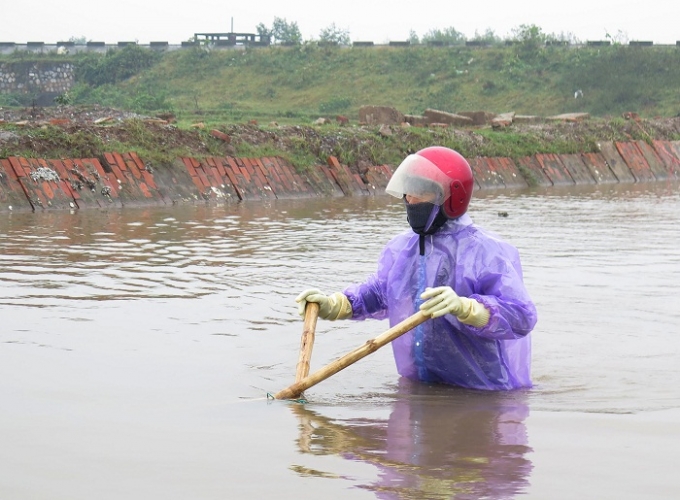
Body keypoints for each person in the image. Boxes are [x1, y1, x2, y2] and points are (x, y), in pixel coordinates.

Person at [296, 146, 537, 390]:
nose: (409, 199)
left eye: (420, 191)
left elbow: (522, 317)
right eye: (408, 190)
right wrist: (336, 305)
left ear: (451, 198)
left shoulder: (488, 251)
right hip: (420, 387)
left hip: (481, 393)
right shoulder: (403, 247)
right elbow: (381, 292)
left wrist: (468, 309)